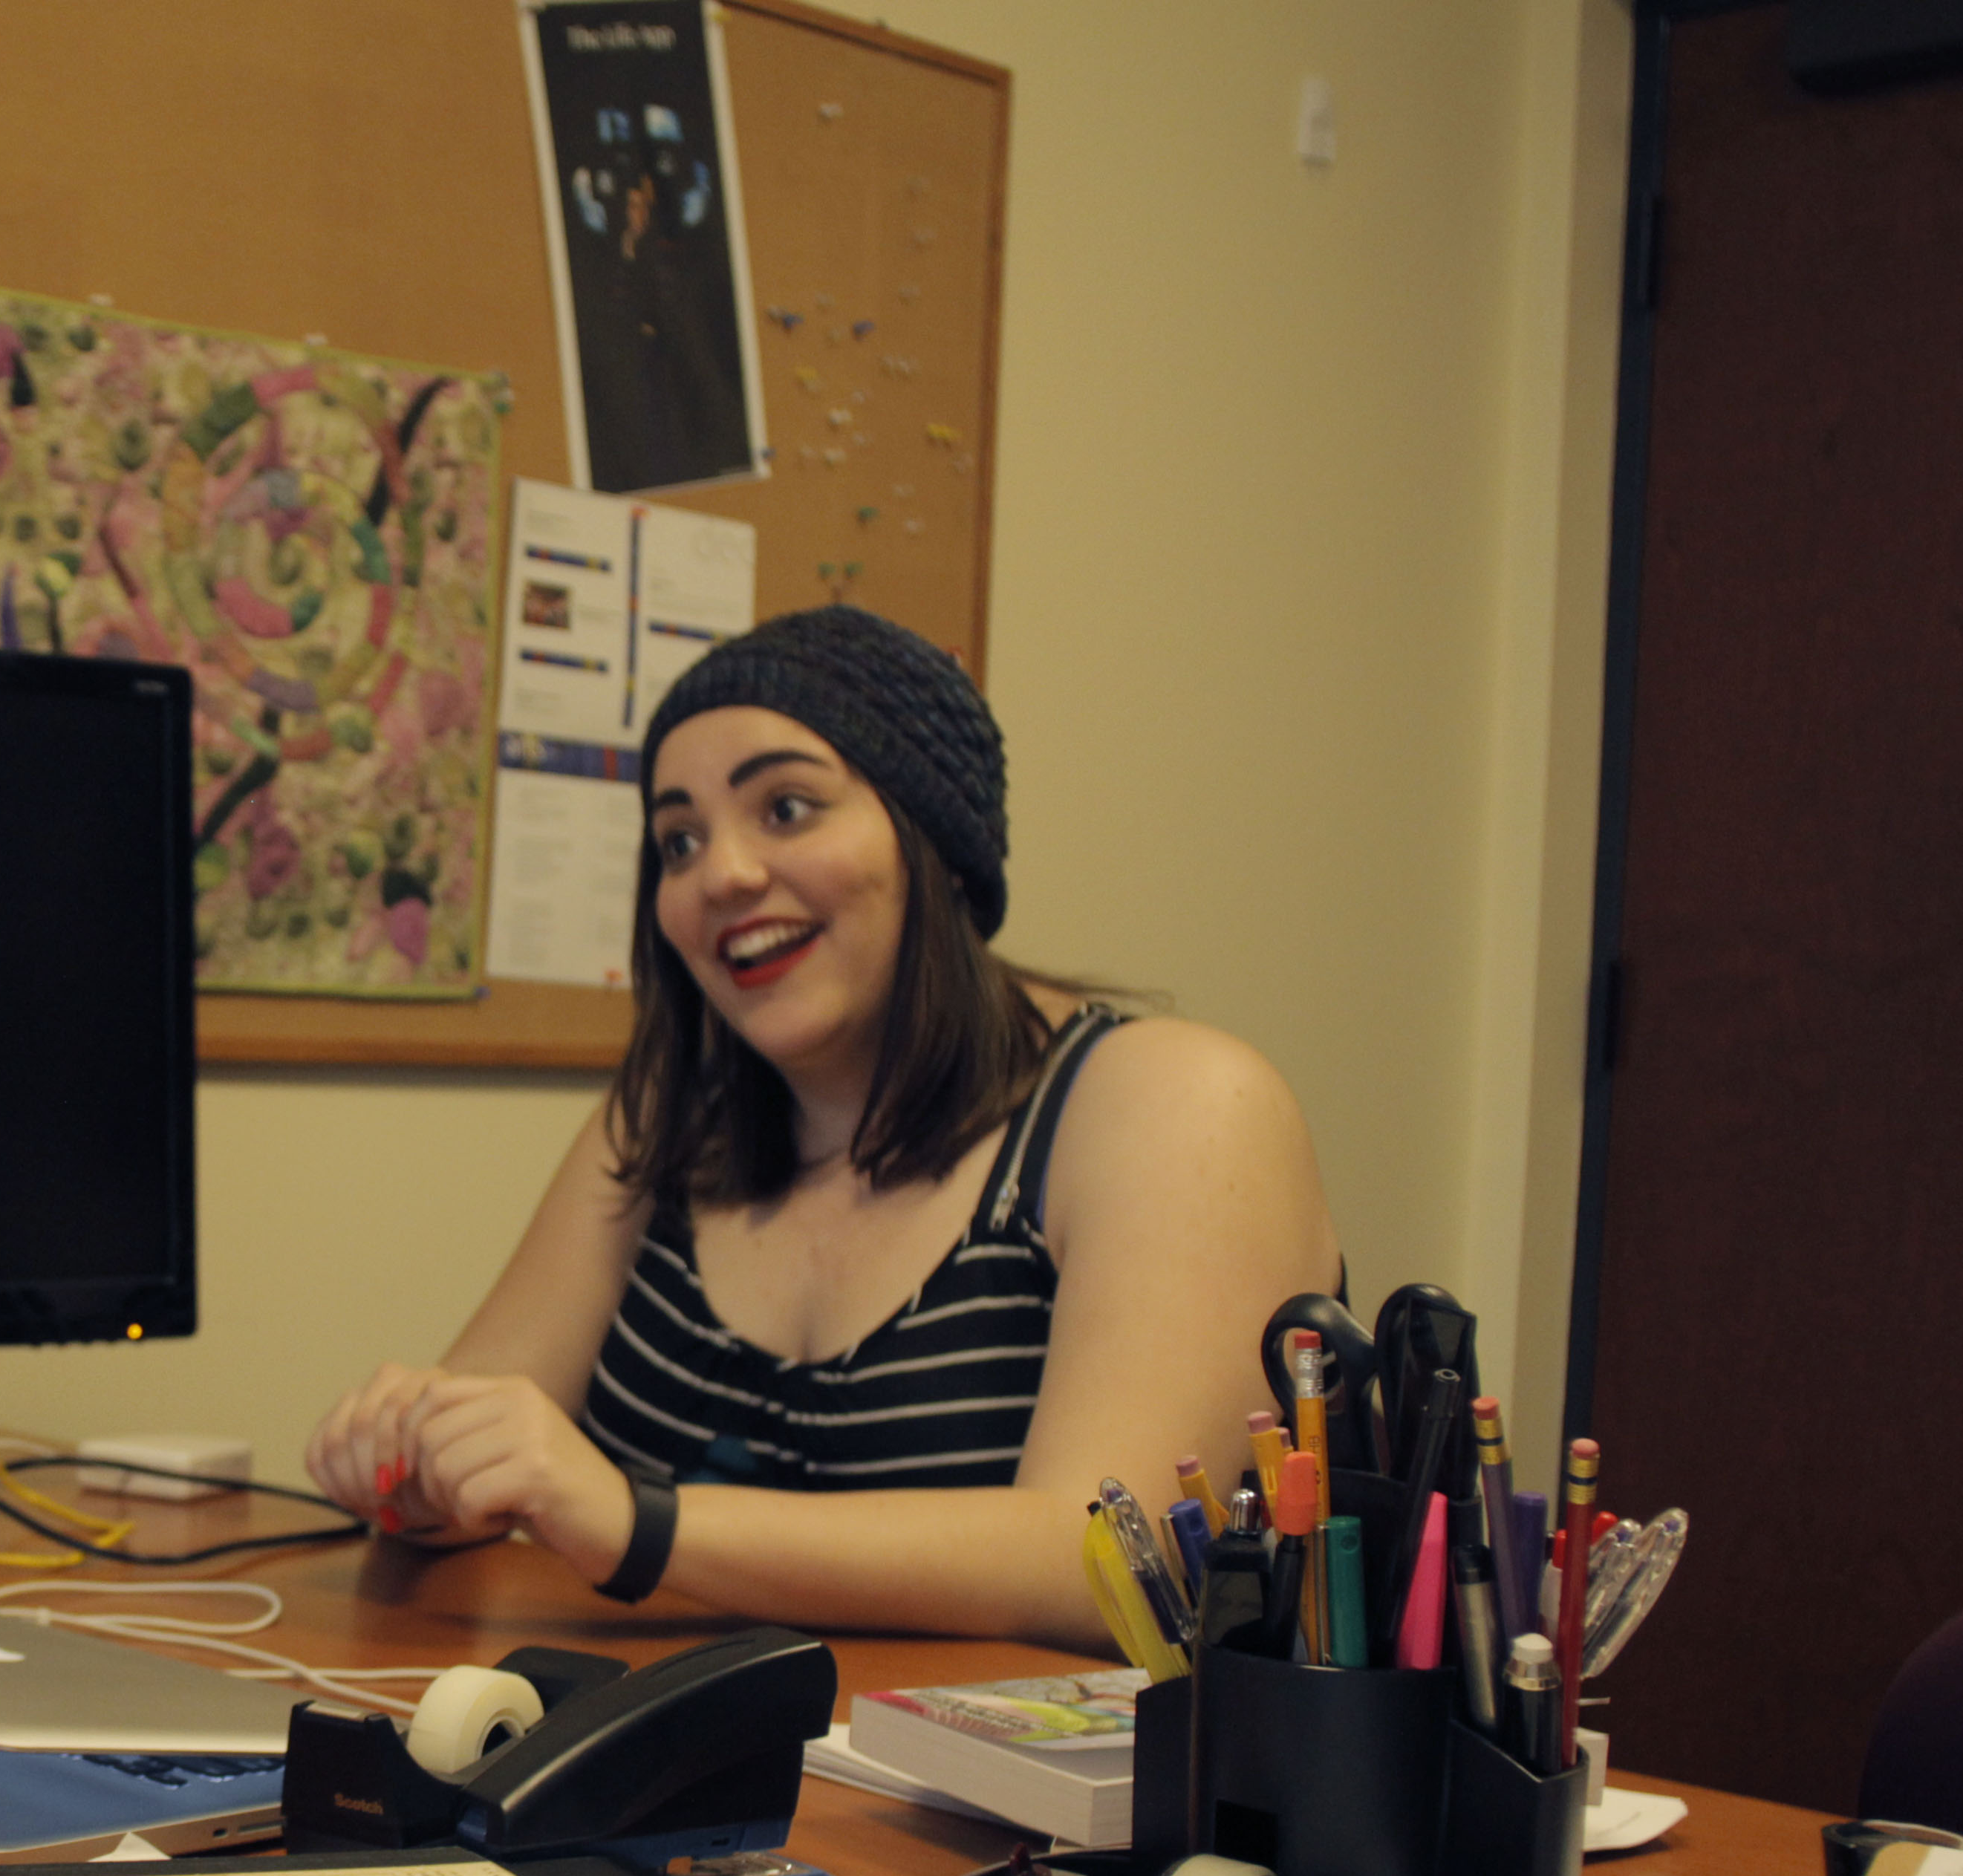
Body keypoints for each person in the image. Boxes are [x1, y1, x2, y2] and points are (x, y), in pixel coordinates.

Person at [307, 608, 1339, 1646]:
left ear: (932, 837)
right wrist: (410, 1465)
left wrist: (638, 1524)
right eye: (678, 839)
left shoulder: (1172, 1102)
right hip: (690, 1770)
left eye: (787, 808)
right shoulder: (664, 1119)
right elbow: (486, 1451)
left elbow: (1115, 1562)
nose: (723, 874)